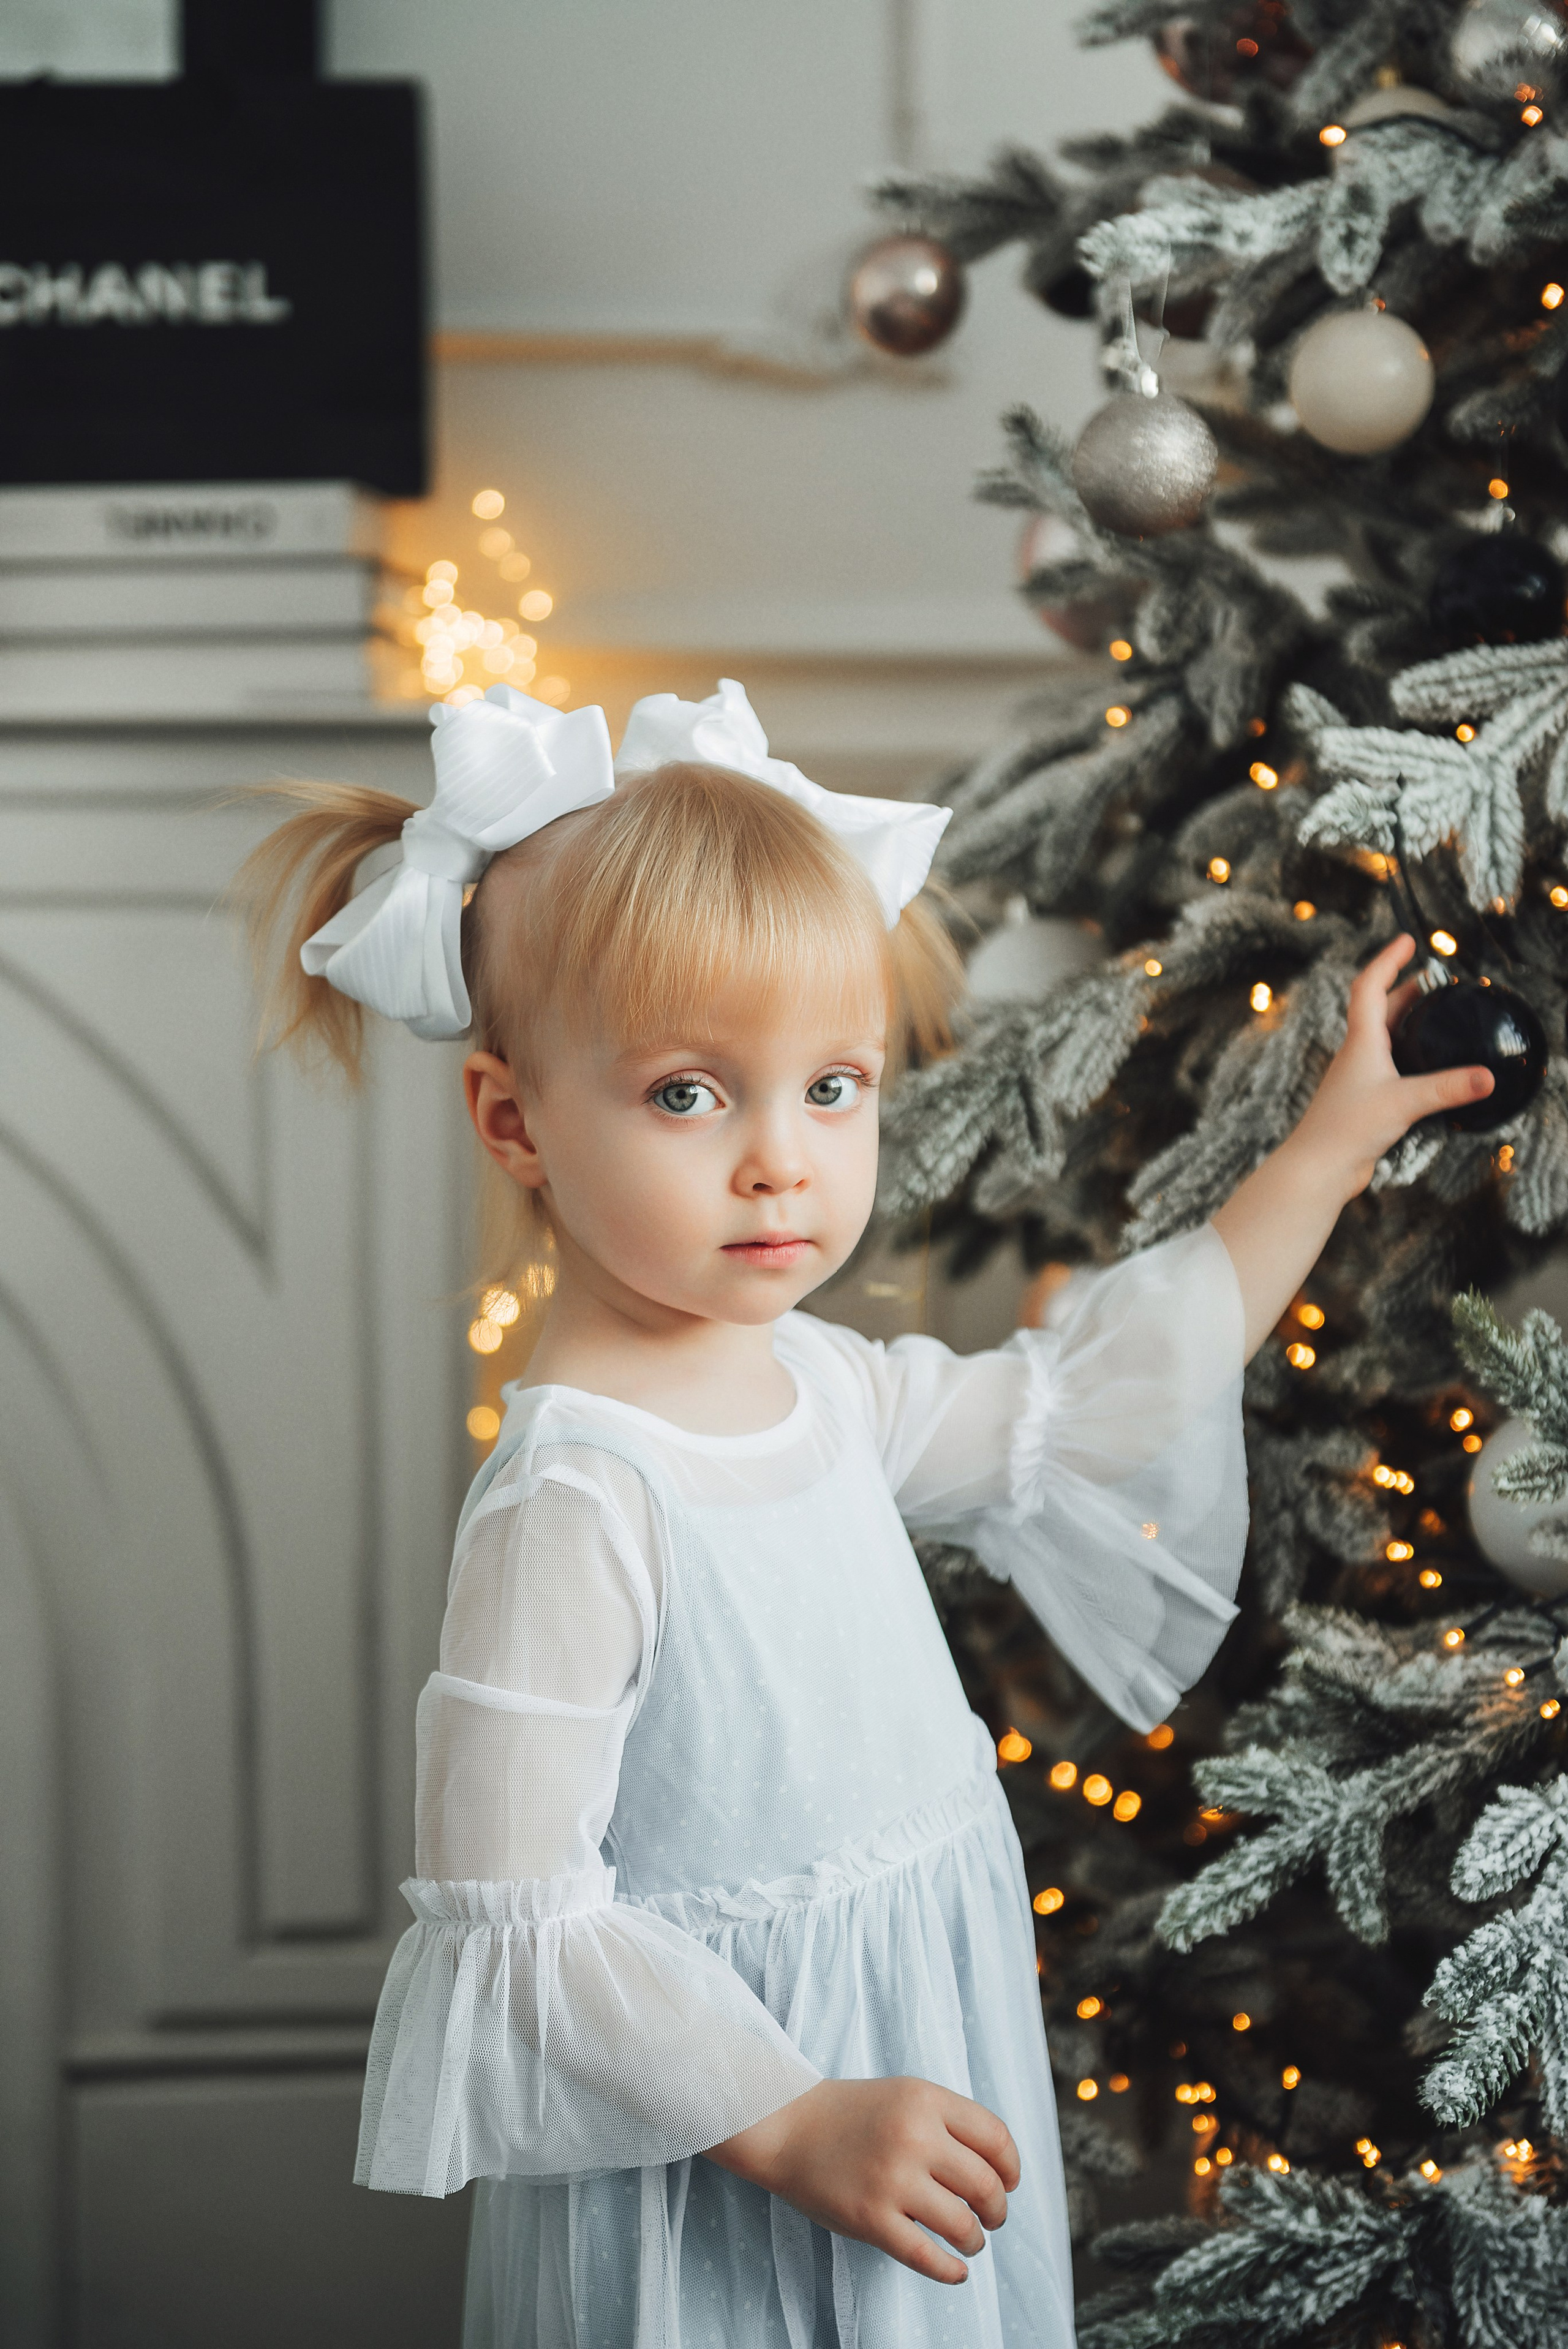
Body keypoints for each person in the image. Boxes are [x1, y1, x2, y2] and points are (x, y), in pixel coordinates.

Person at [240, 679, 1492, 2349]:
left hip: (916, 2074)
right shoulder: (580, 1497)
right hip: (729, 2148)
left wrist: (1325, 1154)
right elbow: (516, 1917)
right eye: (692, 1093)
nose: (783, 1161)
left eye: (832, 1086)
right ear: (513, 1118)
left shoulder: (822, 1389)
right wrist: (788, 2116)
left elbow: (1100, 1399)